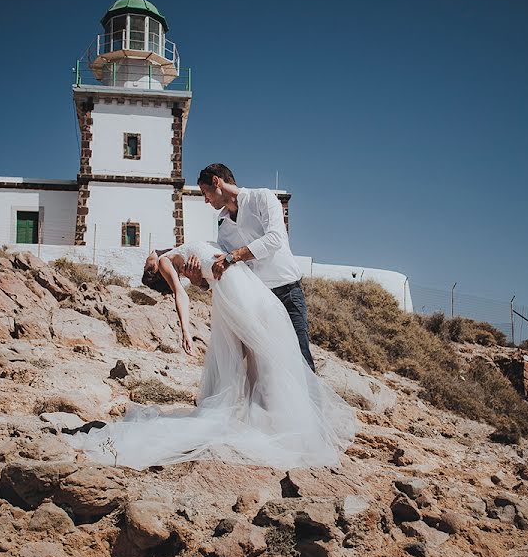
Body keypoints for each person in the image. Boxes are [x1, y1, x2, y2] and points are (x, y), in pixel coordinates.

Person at [63, 241, 359, 470]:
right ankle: (275, 428)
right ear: (156, 270)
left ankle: (271, 424)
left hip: (241, 289)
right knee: (262, 359)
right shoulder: (166, 261)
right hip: (238, 293)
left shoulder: (178, 253)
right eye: (148, 264)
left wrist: (198, 280)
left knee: (264, 361)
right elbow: (182, 293)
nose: (148, 257)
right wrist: (185, 330)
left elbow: (202, 281)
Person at [187, 163, 317, 372]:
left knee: (300, 359)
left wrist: (233, 256)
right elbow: (225, 271)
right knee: (268, 368)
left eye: (205, 193)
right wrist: (198, 281)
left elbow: (275, 239)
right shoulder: (223, 227)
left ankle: (313, 405)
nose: (205, 200)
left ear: (216, 182)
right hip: (257, 300)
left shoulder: (262, 198)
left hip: (287, 293)